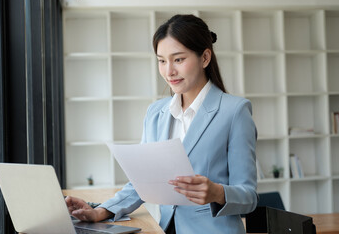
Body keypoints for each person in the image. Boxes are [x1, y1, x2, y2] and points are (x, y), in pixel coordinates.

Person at [66, 14, 258, 234]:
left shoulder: (234, 111)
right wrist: (101, 211)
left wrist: (217, 193)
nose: (169, 72)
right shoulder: (155, 113)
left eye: (178, 59)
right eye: (162, 60)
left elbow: (249, 197)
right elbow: (142, 182)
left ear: (205, 58)